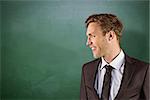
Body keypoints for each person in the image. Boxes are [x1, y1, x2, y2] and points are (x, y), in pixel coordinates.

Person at [80, 13, 149, 100]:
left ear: (110, 36)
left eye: (92, 36)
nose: (88, 43)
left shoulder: (143, 70)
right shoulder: (87, 70)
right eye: (88, 37)